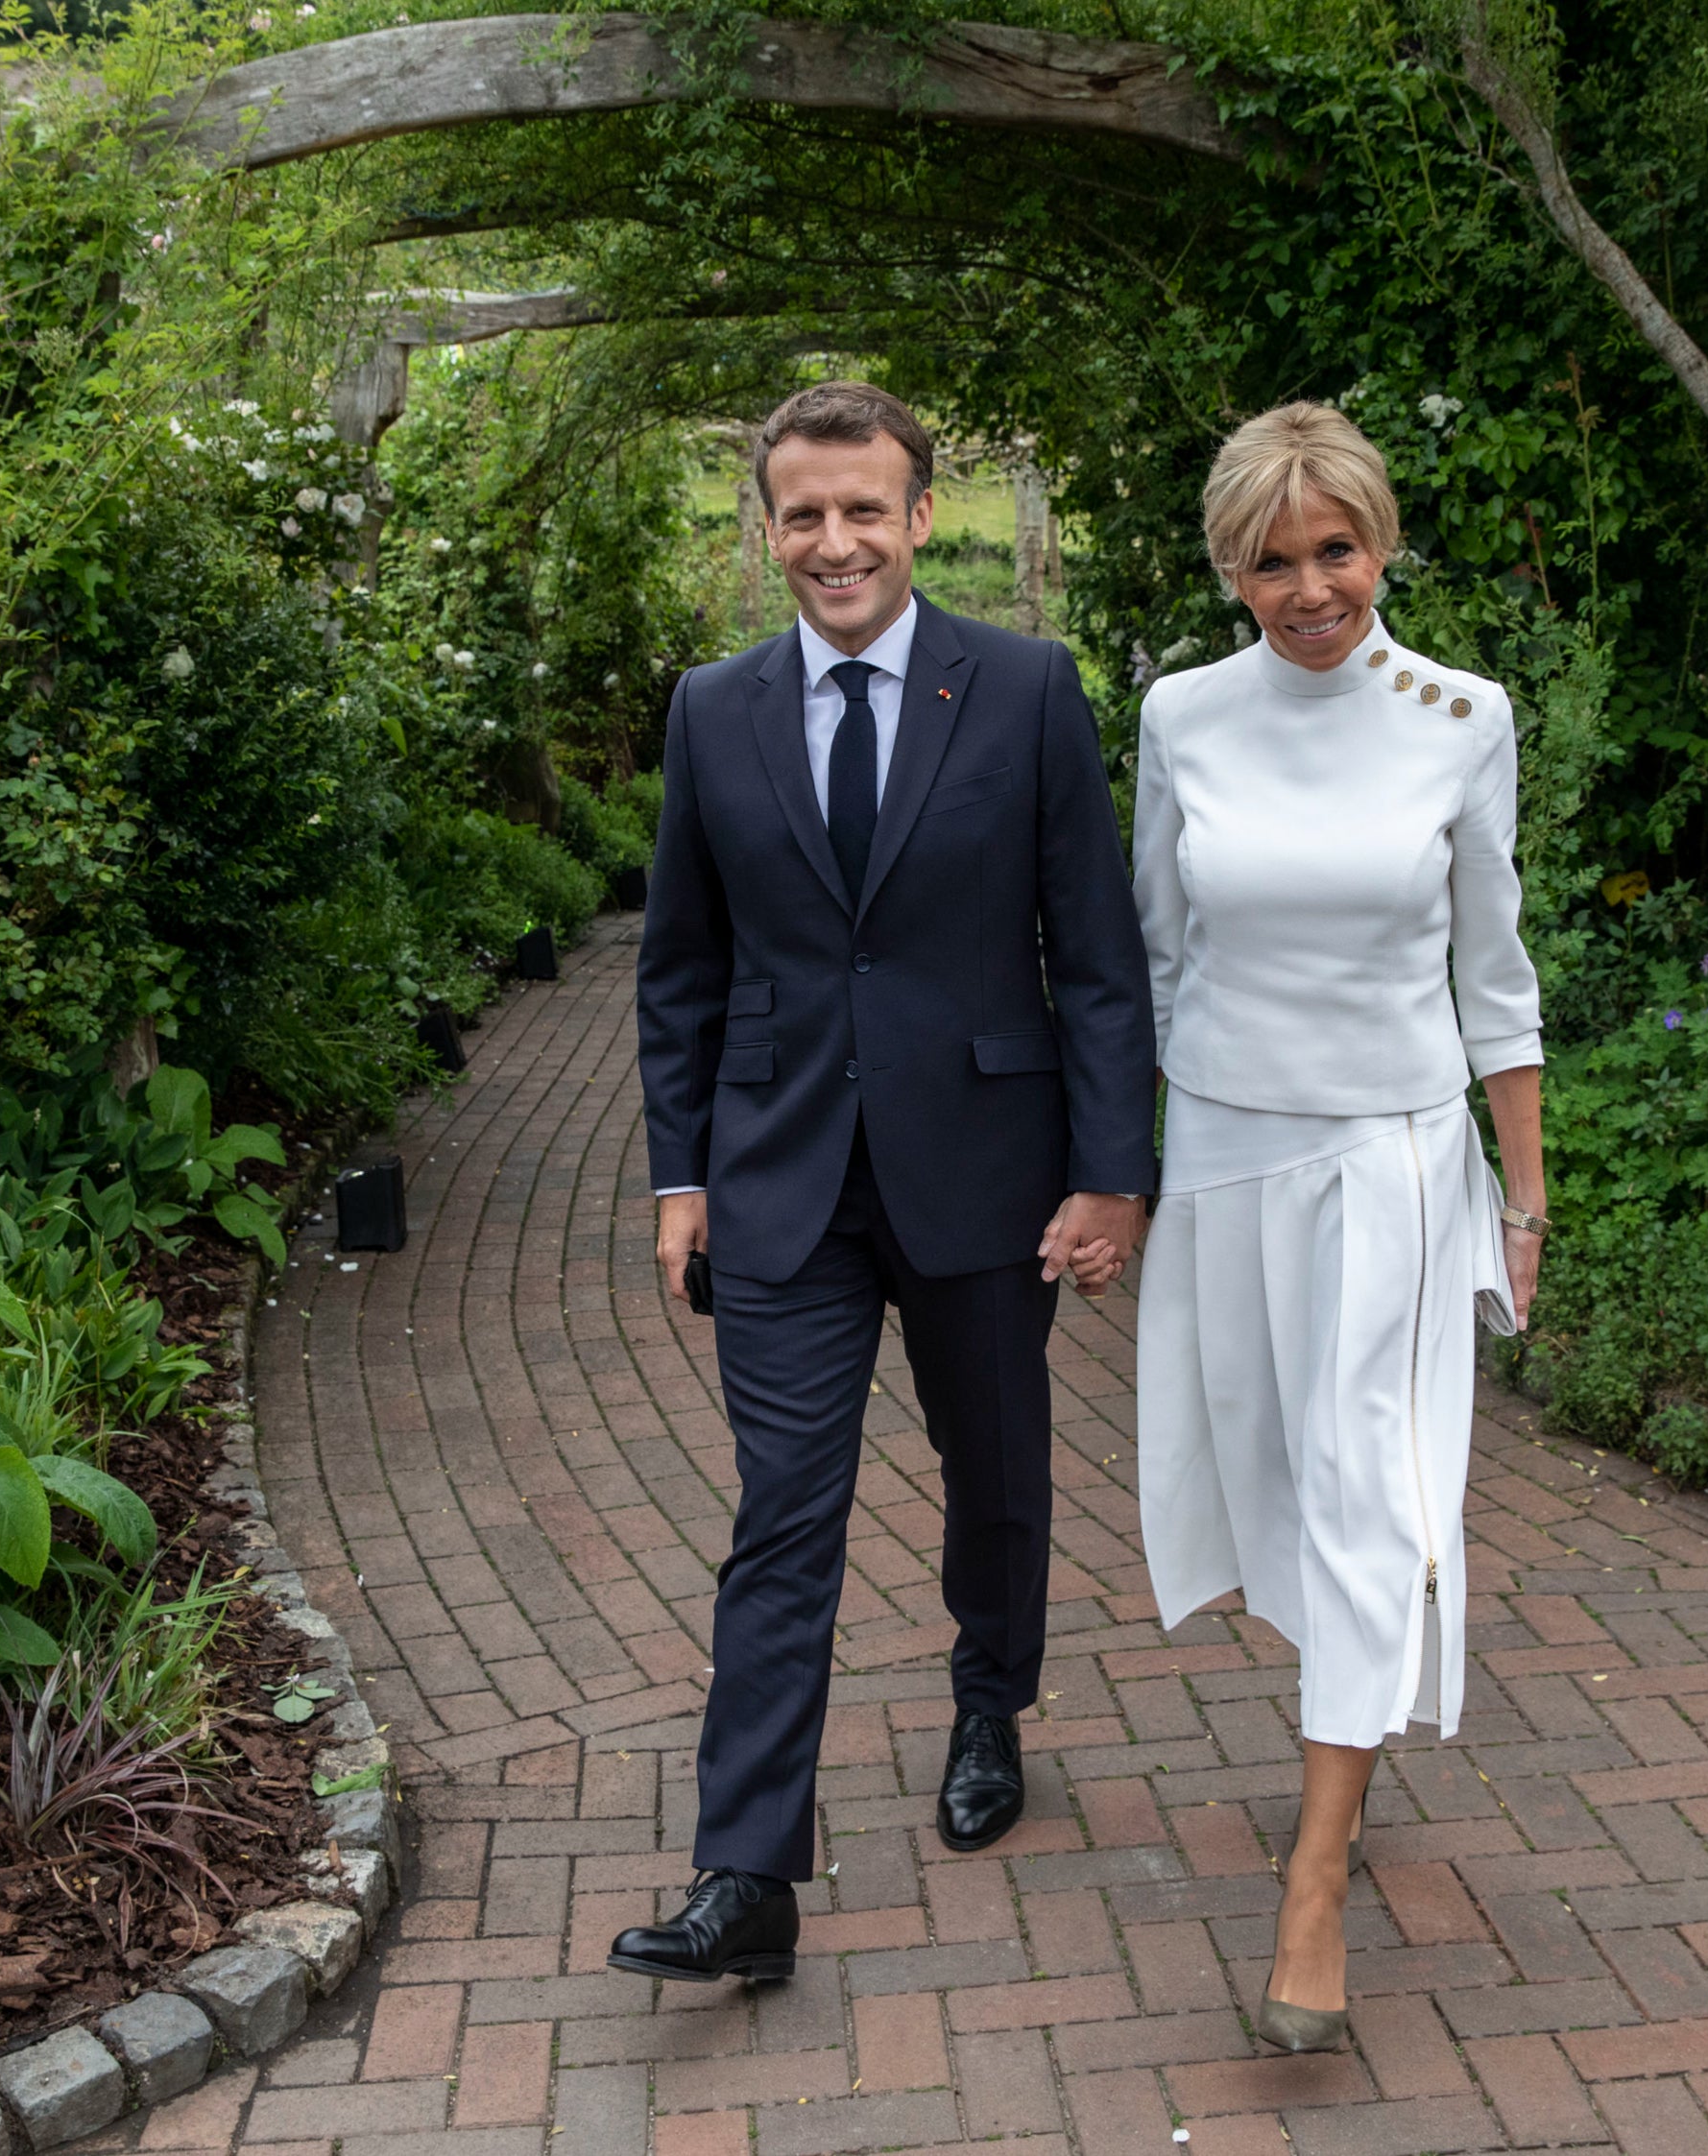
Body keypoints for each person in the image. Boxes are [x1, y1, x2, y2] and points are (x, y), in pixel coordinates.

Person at [619, 381, 1157, 1985]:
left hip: (986, 1171)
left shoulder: (1024, 687)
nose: (834, 540)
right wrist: (679, 1174)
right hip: (783, 1180)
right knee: (782, 1517)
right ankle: (745, 1869)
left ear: (919, 516)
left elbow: (1101, 962)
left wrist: (1111, 1174)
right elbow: (679, 970)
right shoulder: (710, 710)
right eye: (804, 512)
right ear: (768, 526)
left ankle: (990, 1700)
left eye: (865, 508)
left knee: (993, 1476)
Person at [1128, 401, 1549, 2052]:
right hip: (1230, 1151)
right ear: (1230, 567)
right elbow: (1160, 949)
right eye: (1271, 558)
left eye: (1336, 549)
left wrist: (1522, 1195)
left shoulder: (1460, 714)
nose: (1310, 588)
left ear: (1378, 541)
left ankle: (1312, 1875)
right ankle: (1341, 1739)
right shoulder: (1179, 715)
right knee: (1272, 1491)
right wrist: (1127, 1167)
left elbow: (1494, 975)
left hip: (1390, 1158)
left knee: (1375, 1490)